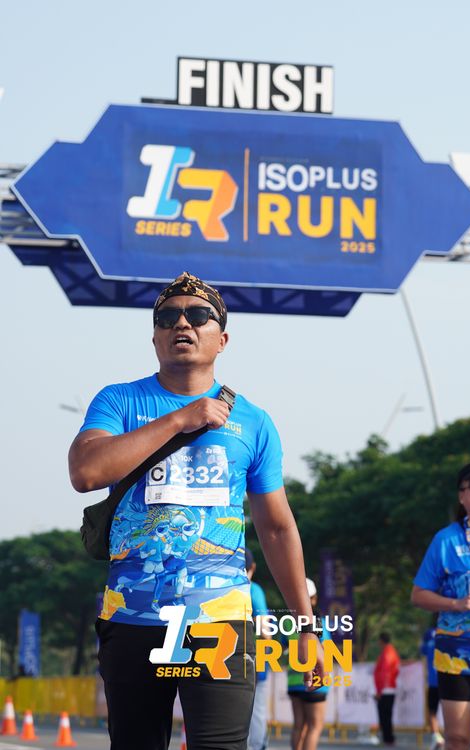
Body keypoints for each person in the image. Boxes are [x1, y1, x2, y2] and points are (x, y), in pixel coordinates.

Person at [69, 271, 323, 750]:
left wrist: (306, 626)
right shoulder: (120, 400)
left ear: (221, 340)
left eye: (198, 315)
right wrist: (181, 419)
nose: (181, 324)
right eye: (167, 317)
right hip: (133, 617)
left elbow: (276, 528)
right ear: (155, 338)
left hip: (220, 622)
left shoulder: (254, 421)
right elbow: (85, 472)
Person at [411, 460, 470, 750]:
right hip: (456, 653)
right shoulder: (446, 540)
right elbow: (418, 595)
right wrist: (456, 603)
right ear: (462, 495)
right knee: (458, 739)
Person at [287, 578, 329, 750]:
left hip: (293, 682)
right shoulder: (318, 622)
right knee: (314, 727)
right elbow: (325, 649)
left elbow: (283, 646)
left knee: (299, 725)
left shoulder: (288, 623)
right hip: (315, 681)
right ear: (314, 598)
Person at [246, 547, 270, 750]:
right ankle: (257, 746)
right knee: (257, 709)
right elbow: (265, 630)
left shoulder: (226, 589)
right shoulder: (254, 590)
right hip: (256, 659)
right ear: (253, 567)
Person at [374, 632, 400, 746]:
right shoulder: (390, 651)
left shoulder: (387, 653)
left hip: (386, 689)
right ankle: (388, 738)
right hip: (388, 688)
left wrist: (379, 691)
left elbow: (384, 673)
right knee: (386, 716)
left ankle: (388, 738)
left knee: (385, 716)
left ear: (381, 641)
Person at [420, 627, 444, 749]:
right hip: (447, 682)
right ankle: (448, 736)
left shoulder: (428, 645)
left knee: (432, 711)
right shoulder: (445, 641)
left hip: (433, 683)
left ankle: (436, 736)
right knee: (449, 711)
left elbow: (422, 651)